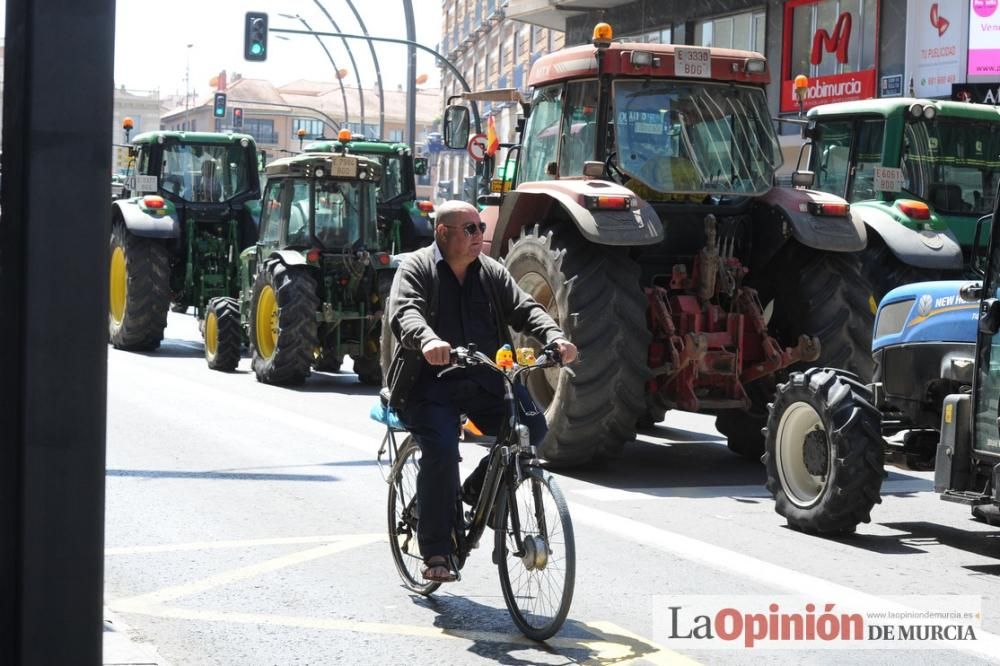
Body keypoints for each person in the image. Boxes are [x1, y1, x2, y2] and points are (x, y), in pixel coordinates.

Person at [385, 200, 577, 583]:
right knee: (441, 450)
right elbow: (405, 312)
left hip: (485, 378)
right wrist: (427, 341)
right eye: (469, 229)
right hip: (429, 384)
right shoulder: (417, 268)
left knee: (531, 429)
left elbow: (524, 308)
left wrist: (554, 336)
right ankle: (437, 549)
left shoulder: (490, 272)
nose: (479, 236)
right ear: (443, 233)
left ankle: (474, 491)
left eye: (480, 228)